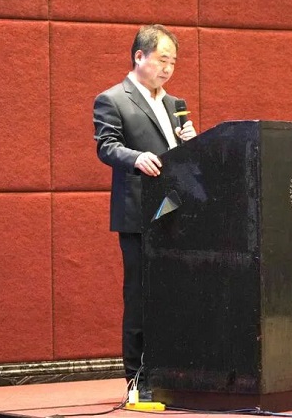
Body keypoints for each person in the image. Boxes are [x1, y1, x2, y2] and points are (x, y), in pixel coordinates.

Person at [93, 24, 196, 393]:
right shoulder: (112, 99)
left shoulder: (175, 104)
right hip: (139, 214)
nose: (168, 69)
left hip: (175, 212)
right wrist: (136, 158)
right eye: (162, 60)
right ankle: (137, 379)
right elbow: (106, 146)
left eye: (173, 62)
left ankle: (174, 372)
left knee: (176, 296)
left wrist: (193, 143)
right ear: (139, 56)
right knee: (139, 297)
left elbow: (184, 158)